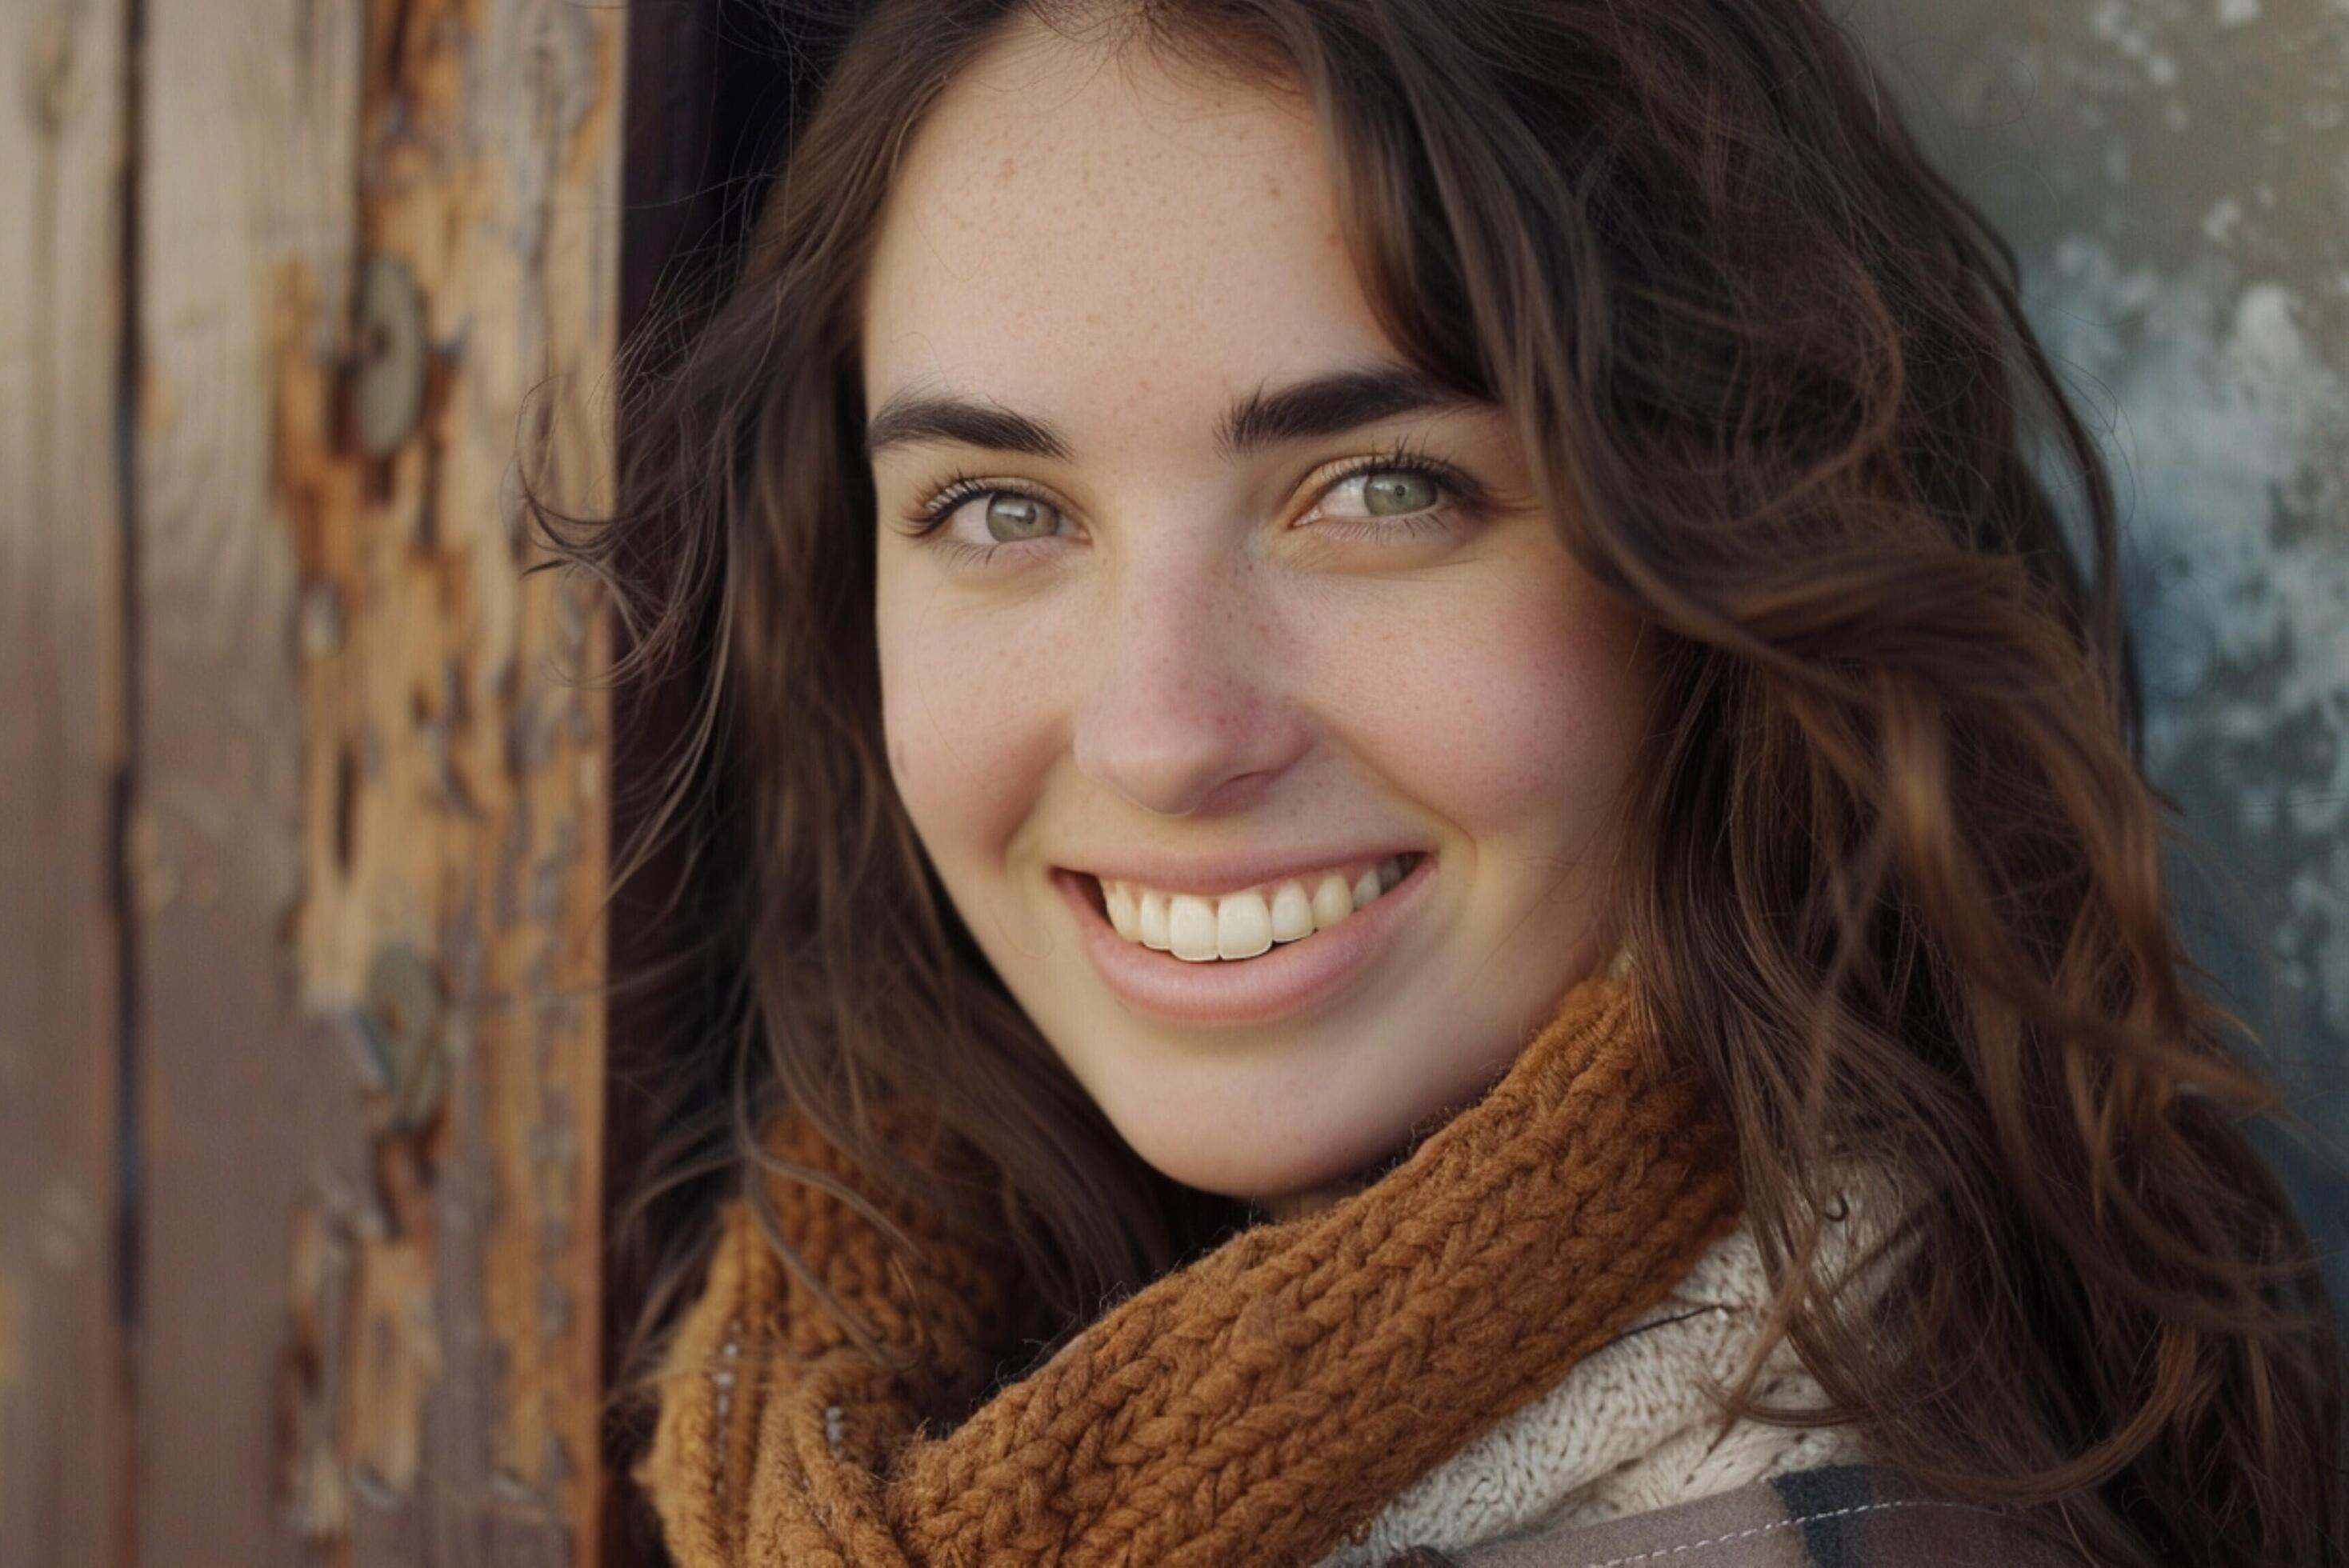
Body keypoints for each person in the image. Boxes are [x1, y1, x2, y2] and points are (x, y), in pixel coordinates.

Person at [538, 0, 2349, 1562]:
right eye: (1000, 509)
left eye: (1384, 488)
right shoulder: (859, 1377)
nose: (1163, 731)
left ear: (1736, 547)